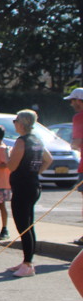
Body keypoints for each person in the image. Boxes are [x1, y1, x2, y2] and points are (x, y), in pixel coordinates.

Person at [5, 109, 53, 277]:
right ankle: (27, 259)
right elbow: (48, 159)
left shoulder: (21, 141)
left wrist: (7, 154)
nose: (14, 124)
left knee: (23, 226)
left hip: (23, 187)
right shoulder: (37, 139)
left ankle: (28, 264)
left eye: (15, 121)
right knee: (28, 224)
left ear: (22, 123)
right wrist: (35, 172)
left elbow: (12, 166)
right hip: (32, 185)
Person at [66, 88, 83, 245]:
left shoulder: (79, 117)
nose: (71, 104)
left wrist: (72, 144)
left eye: (72, 101)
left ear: (79, 101)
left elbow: (76, 143)